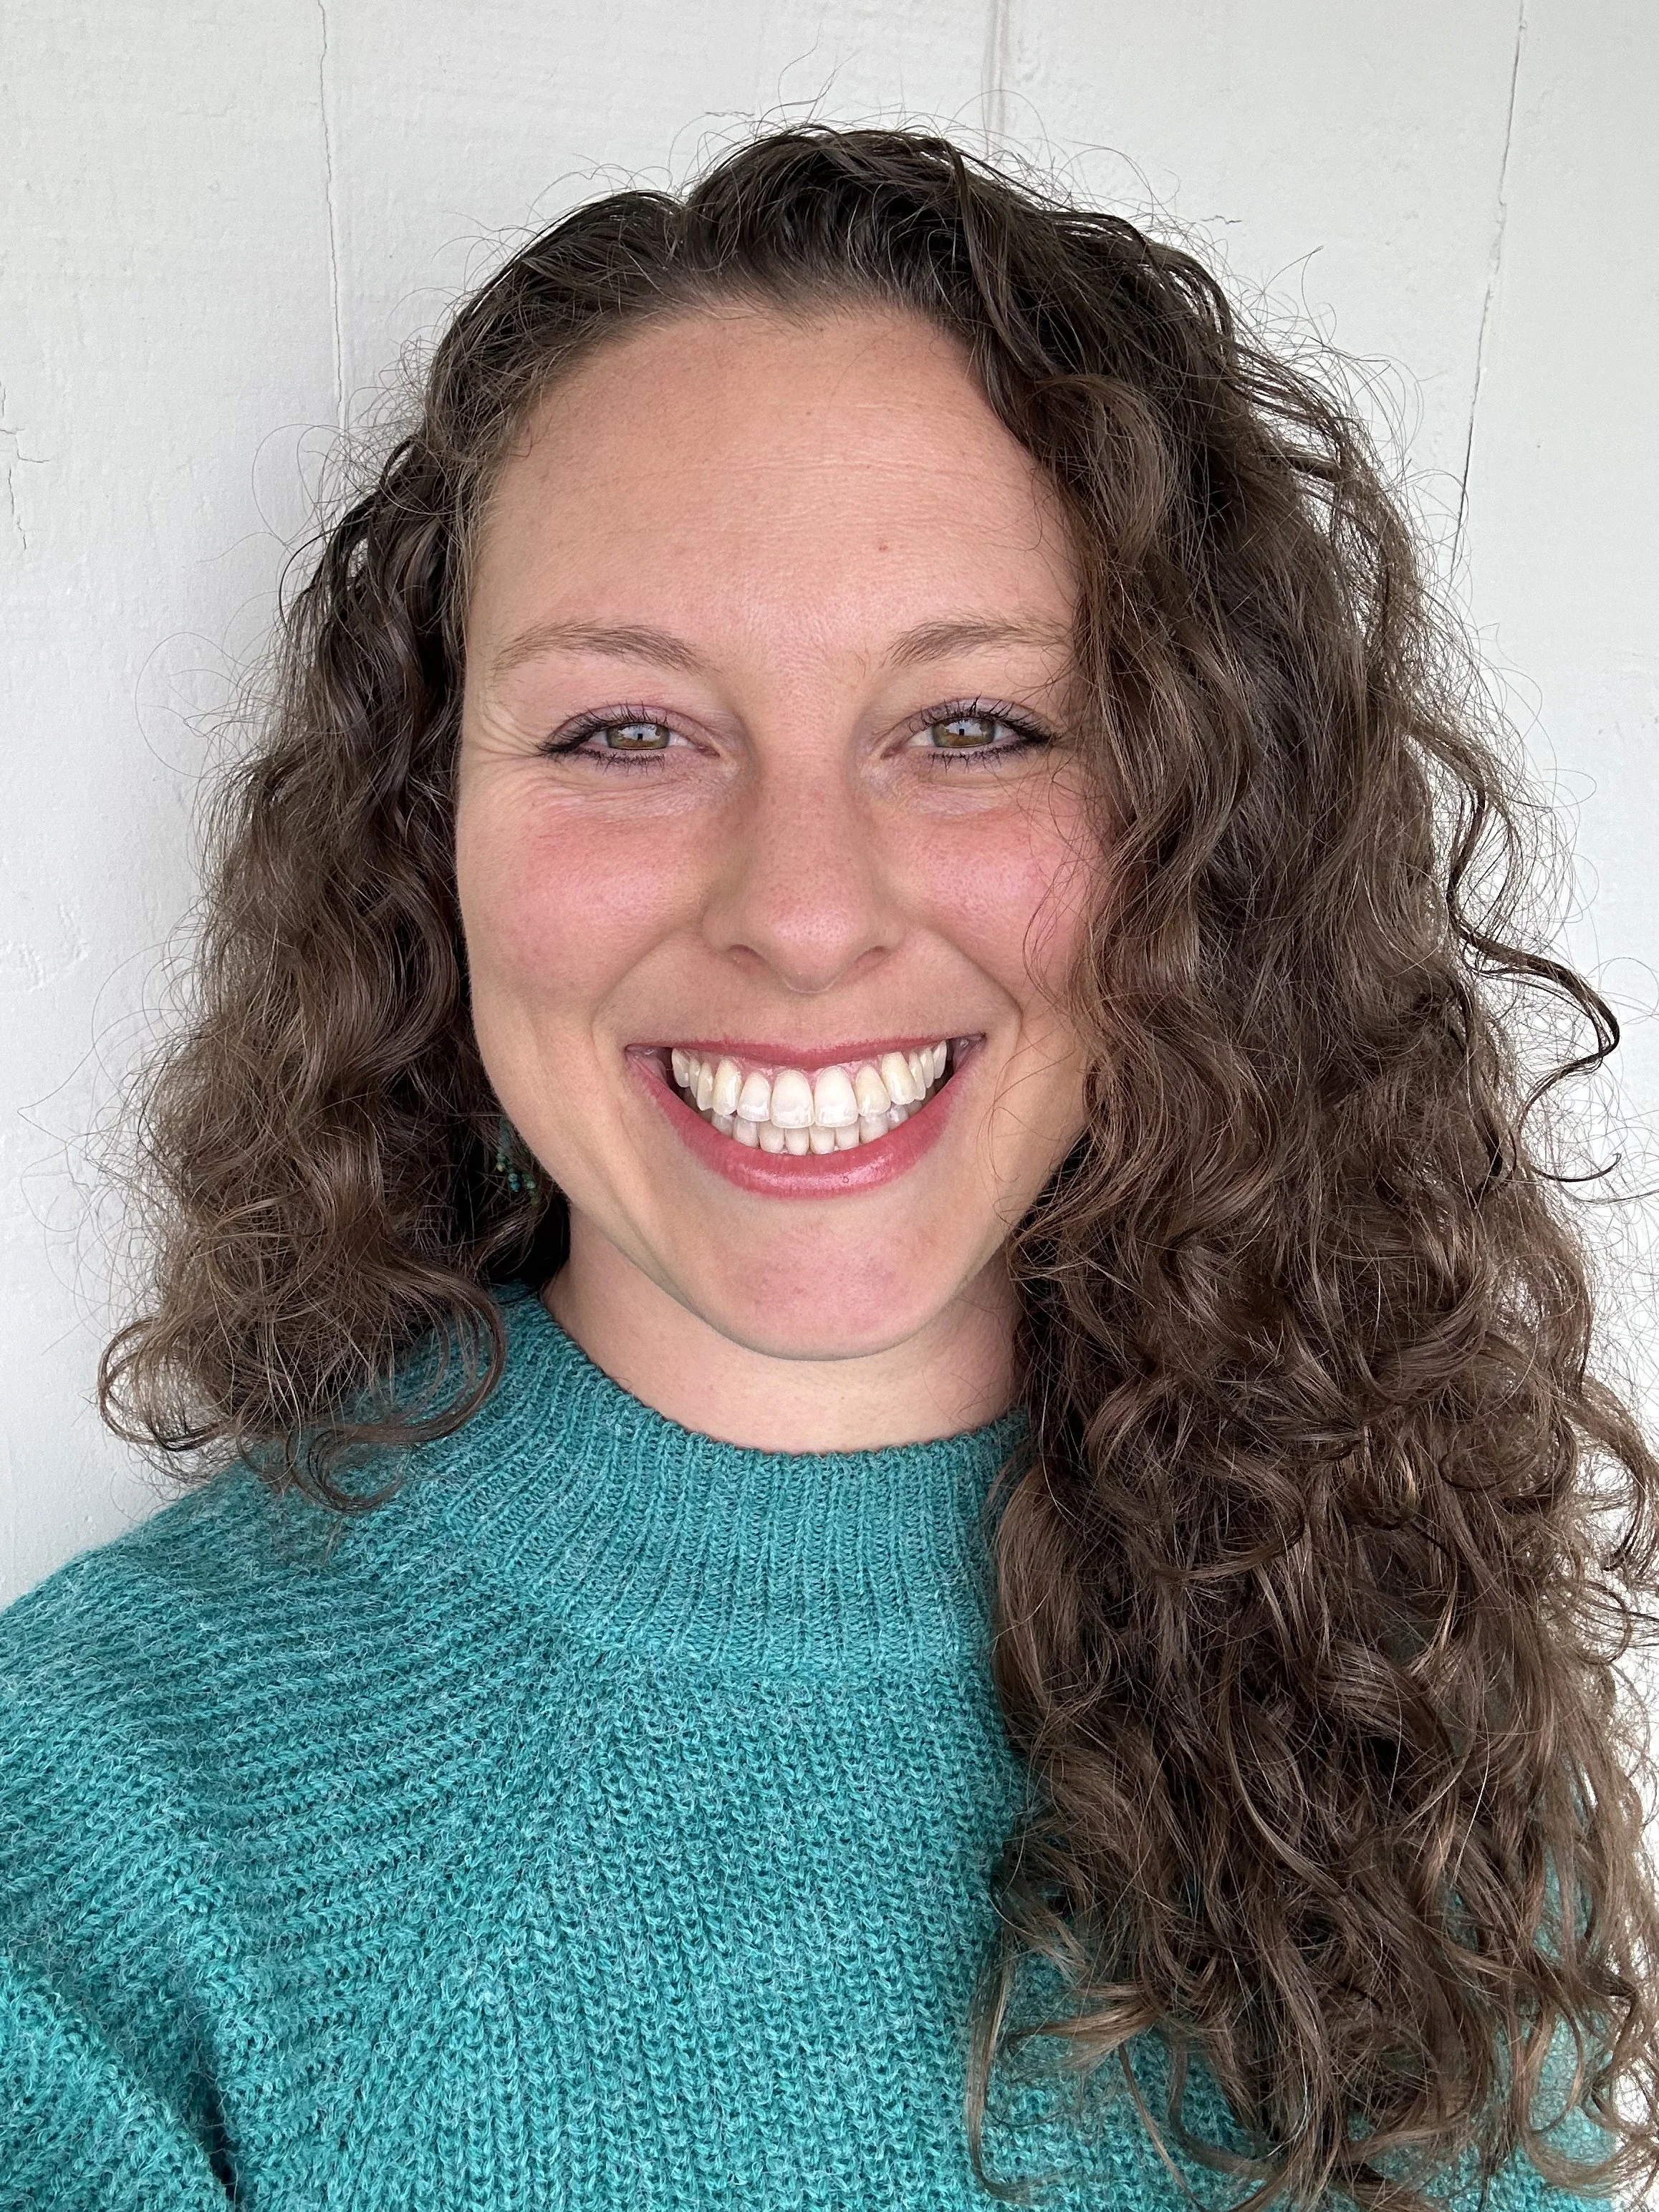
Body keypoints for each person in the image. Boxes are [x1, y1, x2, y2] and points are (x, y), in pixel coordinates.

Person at [1, 124, 1653, 2211]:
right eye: (626, 732)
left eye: (974, 726)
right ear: (428, 831)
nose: (800, 912)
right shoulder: (95, 1834)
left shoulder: (1385, 1680)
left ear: (1202, 830)